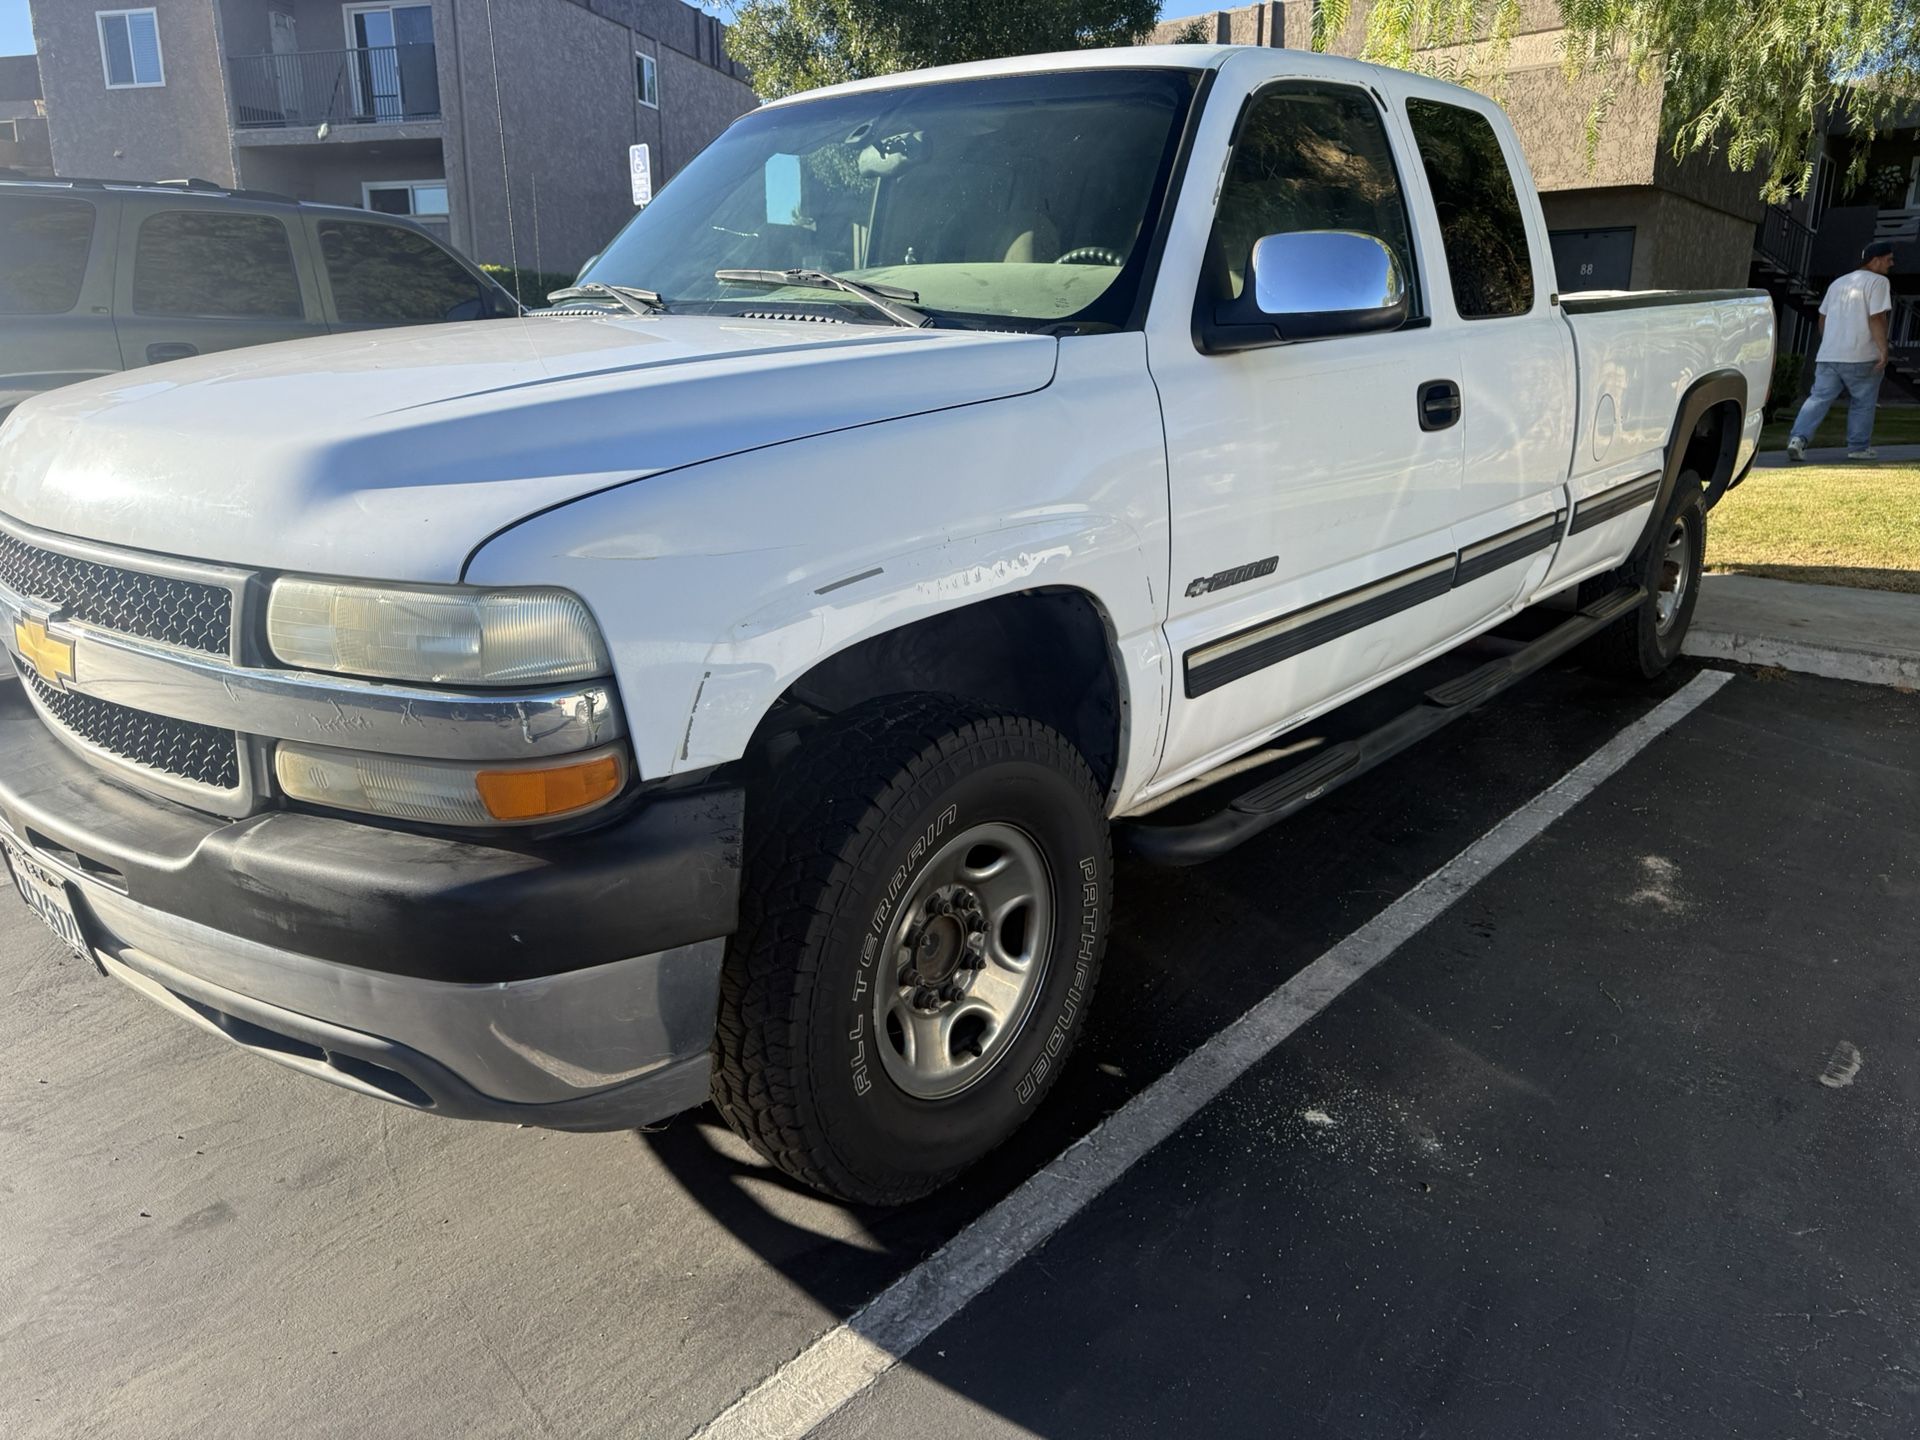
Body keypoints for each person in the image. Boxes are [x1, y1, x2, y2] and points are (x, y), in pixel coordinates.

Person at [1787, 240, 1897, 462]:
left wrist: (1830, 341)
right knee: (1863, 402)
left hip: (1829, 354)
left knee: (1818, 398)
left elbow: (1822, 318)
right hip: (1862, 356)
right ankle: (1858, 447)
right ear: (1875, 261)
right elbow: (1877, 317)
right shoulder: (1879, 282)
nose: (1891, 264)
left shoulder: (1838, 283)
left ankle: (1798, 439)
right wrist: (1883, 349)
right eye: (1888, 259)